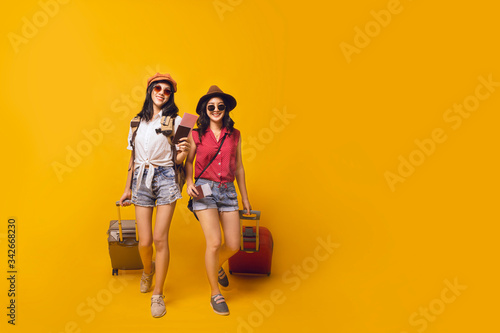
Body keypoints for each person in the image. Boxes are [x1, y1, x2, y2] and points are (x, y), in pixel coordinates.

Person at [119, 73, 190, 318]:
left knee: (160, 239)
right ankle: (147, 271)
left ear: (171, 95)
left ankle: (157, 294)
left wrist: (183, 150)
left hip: (167, 178)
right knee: (145, 241)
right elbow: (132, 159)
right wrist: (127, 188)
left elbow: (179, 160)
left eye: (167, 90)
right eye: (157, 88)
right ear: (150, 90)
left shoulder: (178, 120)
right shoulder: (136, 122)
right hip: (140, 178)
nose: (161, 92)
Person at [185, 85, 252, 315]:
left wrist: (245, 197)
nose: (215, 109)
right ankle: (215, 293)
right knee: (214, 242)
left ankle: (217, 266)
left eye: (220, 106)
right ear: (205, 109)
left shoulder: (235, 135)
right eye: (211, 106)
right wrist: (188, 182)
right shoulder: (195, 133)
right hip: (203, 188)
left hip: (228, 191)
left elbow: (240, 168)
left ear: (226, 109)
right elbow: (187, 161)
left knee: (233, 244)